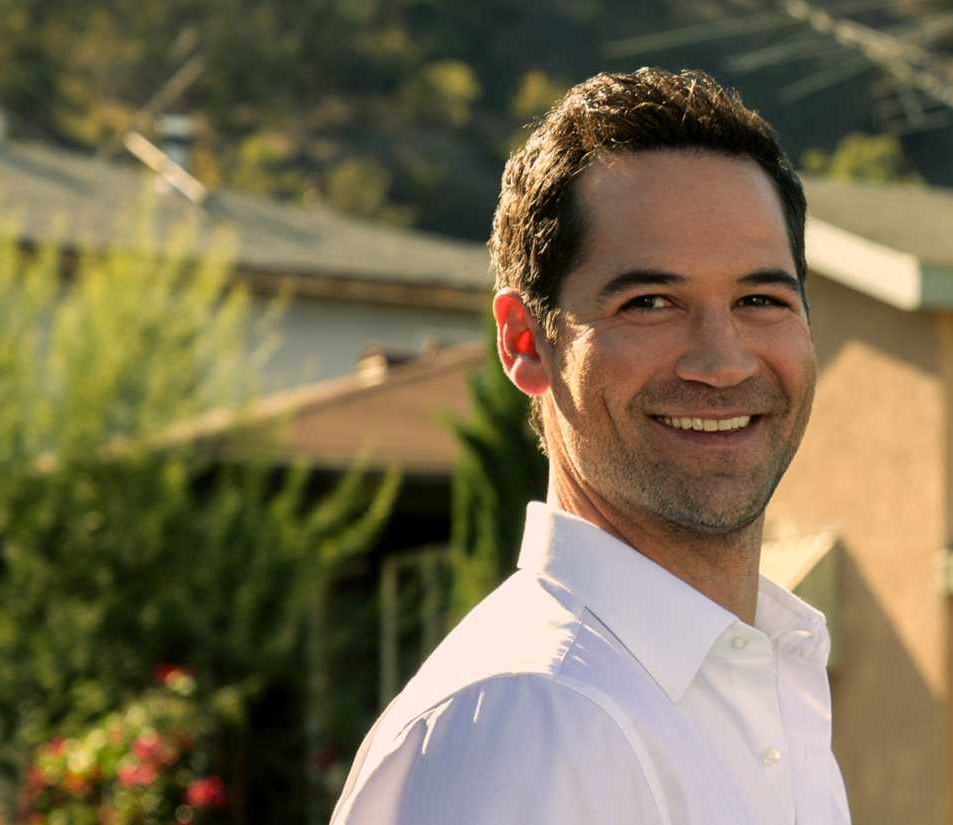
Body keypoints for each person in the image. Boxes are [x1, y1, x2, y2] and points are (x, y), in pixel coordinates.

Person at [329, 67, 849, 825]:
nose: (723, 359)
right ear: (524, 340)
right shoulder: (529, 718)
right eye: (650, 303)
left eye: (759, 300)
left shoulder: (764, 683)